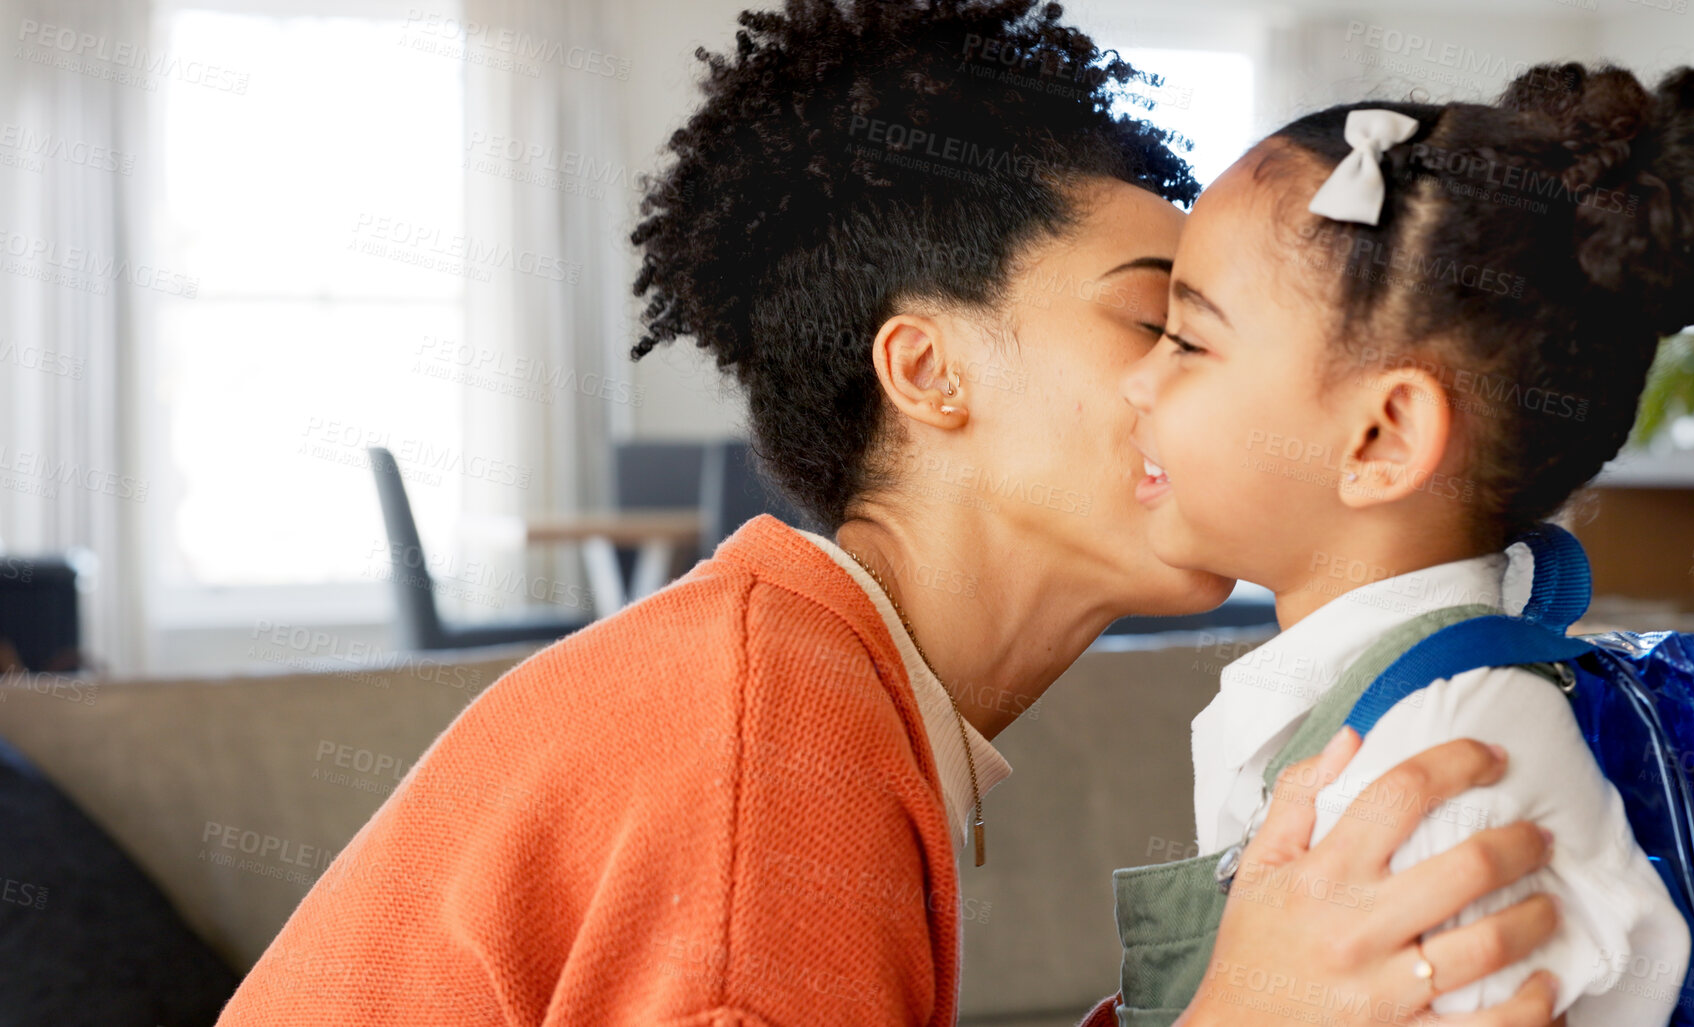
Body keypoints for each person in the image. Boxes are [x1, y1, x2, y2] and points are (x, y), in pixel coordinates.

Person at [216, 3, 1564, 1024]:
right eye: (1160, 320)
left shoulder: (811, 682)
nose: (1213, 397)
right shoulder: (763, 740)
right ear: (929, 372)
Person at [1118, 62, 1694, 1024]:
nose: (1137, 384)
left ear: (1381, 440)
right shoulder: (1403, 704)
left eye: (1185, 339)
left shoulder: (1447, 754)